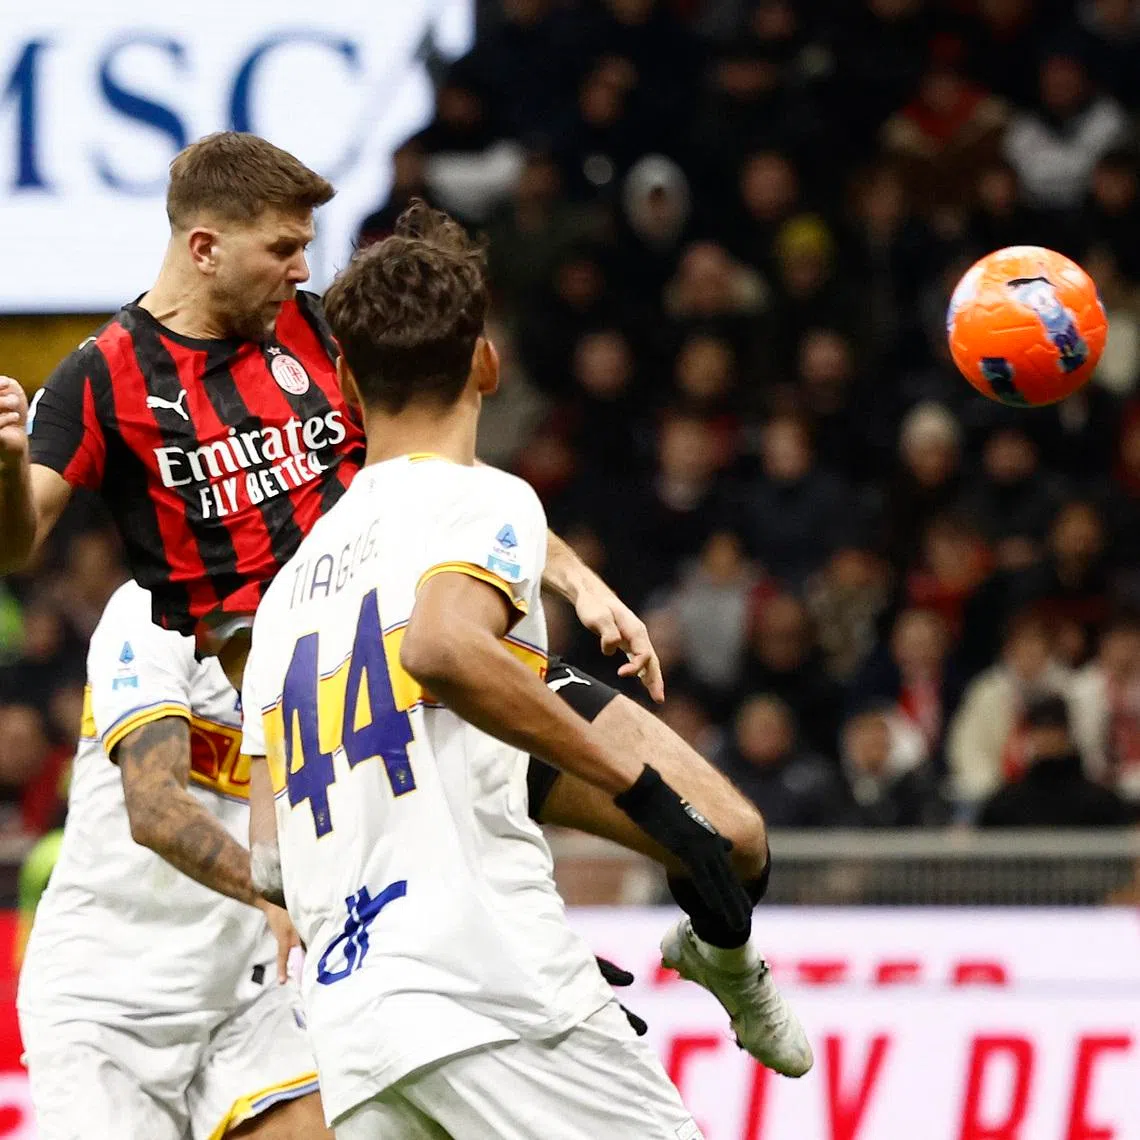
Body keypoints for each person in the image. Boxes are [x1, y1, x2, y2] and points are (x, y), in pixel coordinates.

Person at [0, 132, 800, 1071]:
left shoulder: (317, 329)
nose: (304, 267)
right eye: (283, 249)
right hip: (333, 720)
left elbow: (436, 469)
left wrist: (576, 578)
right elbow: (18, 540)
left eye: (307, 246)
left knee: (734, 836)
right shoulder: (100, 380)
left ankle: (713, 959)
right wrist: (9, 466)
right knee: (435, 954)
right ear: (205, 247)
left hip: (446, 650)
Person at [240, 201, 807, 1140]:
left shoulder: (287, 595)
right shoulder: (486, 501)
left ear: (343, 379)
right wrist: (638, 794)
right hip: (489, 995)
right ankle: (721, 949)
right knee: (714, 828)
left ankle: (720, 955)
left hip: (357, 1030)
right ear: (487, 363)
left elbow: (269, 860)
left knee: (731, 832)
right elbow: (441, 650)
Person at [17, 580, 328, 1139]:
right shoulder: (149, 610)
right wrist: (270, 892)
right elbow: (154, 808)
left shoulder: (312, 612)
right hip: (106, 1005)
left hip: (247, 990)